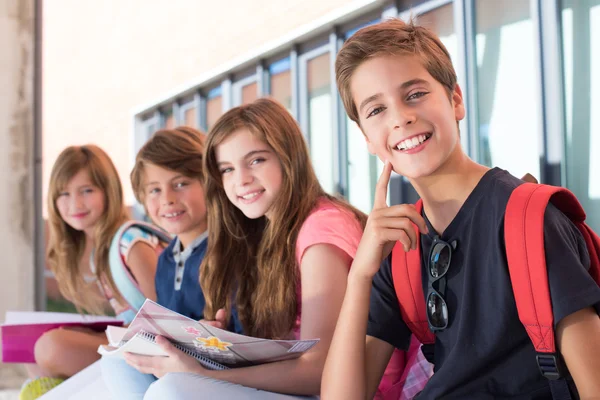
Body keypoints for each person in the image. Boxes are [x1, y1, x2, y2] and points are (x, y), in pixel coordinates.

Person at [321, 18, 600, 399]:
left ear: (455, 100)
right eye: (376, 110)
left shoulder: (529, 219)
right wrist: (360, 276)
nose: (401, 117)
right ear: (368, 139)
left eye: (415, 94)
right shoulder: (401, 244)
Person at [124, 99, 427, 399]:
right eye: (227, 169)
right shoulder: (271, 232)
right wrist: (212, 344)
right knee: (126, 368)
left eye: (256, 160)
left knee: (173, 390)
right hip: (304, 385)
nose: (241, 180)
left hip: (359, 391)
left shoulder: (322, 227)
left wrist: (205, 374)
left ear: (288, 157)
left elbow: (319, 371)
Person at [101, 126, 243, 399]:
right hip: (178, 363)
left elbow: (245, 332)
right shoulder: (165, 259)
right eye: (154, 190)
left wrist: (217, 333)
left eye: (180, 184)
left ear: (209, 183)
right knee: (115, 361)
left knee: (167, 390)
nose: (167, 199)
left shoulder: (229, 249)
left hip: (220, 374)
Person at [21, 145, 163, 399]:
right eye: (63, 194)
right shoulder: (103, 253)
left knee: (50, 347)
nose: (75, 203)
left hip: (156, 349)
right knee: (32, 353)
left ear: (108, 191)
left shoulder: (131, 243)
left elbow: (164, 317)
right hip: (134, 341)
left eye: (86, 191)